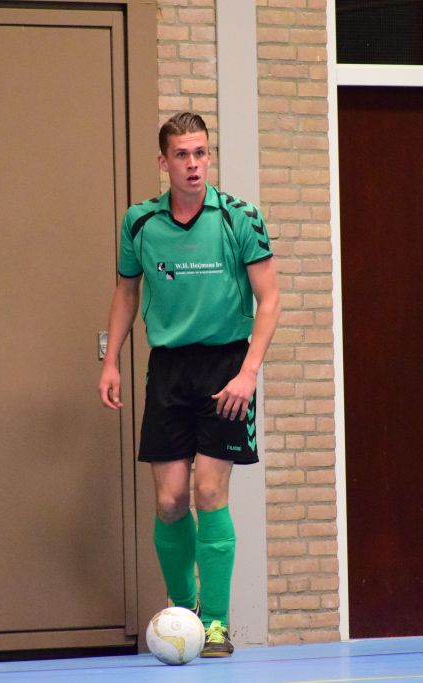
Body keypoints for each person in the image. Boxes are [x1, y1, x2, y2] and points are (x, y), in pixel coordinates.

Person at [99, 112, 280, 658]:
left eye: (201, 153)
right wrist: (110, 361)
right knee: (171, 499)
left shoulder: (240, 217)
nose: (194, 164)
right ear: (164, 162)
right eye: (182, 154)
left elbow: (269, 299)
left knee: (208, 492)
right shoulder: (139, 222)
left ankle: (218, 625)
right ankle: (186, 615)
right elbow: (126, 292)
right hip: (169, 369)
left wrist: (248, 373)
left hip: (226, 366)